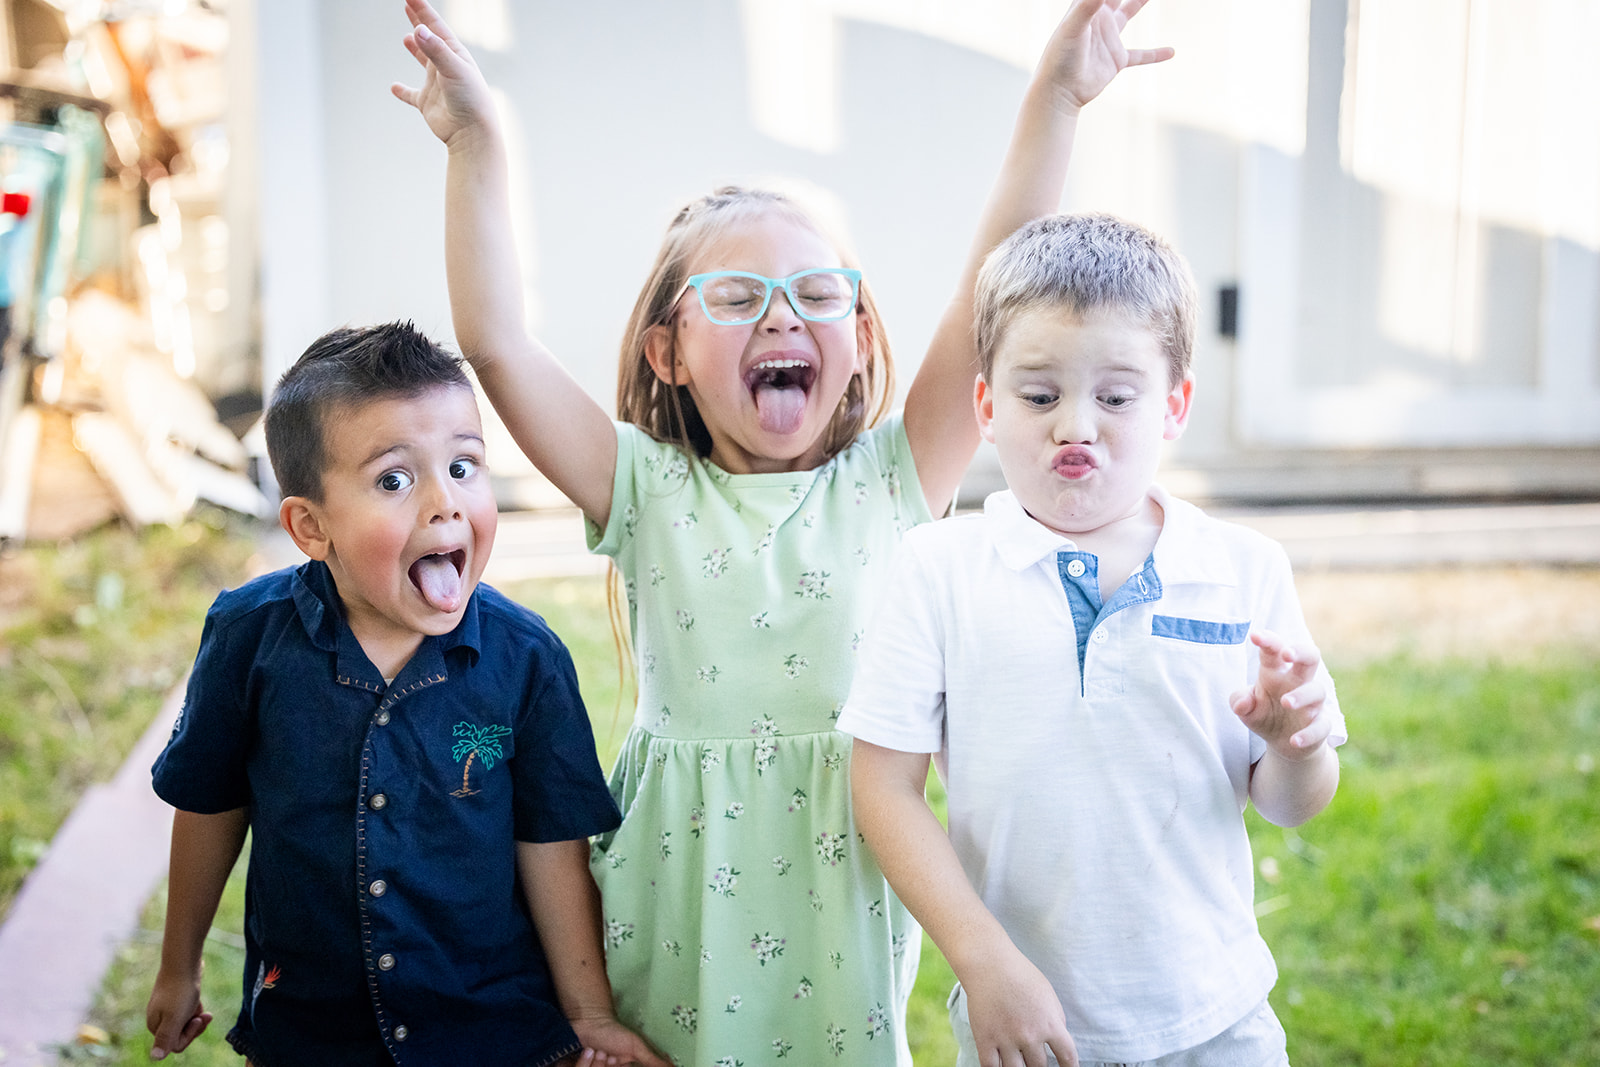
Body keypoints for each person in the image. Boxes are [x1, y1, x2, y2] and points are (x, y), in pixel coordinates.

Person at [393, 3, 1171, 1062]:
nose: (779, 315)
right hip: (673, 910)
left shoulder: (894, 479)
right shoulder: (641, 486)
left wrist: (1057, 98)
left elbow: (988, 286)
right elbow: (497, 343)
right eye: (736, 296)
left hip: (839, 902)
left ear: (858, 339)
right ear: (668, 351)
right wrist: (476, 143)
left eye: (813, 292)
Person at [838, 212, 1347, 1067]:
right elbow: (883, 787)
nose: (1076, 424)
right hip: (1025, 1025)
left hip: (1216, 1022)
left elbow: (1292, 803)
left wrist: (1298, 741)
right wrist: (984, 961)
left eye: (1116, 396)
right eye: (1040, 395)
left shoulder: (1243, 568)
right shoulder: (938, 568)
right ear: (987, 405)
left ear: (1174, 404)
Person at [144, 322, 664, 1067]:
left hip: (491, 1035)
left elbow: (551, 844)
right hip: (310, 1037)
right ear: (310, 526)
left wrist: (588, 1013)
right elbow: (209, 802)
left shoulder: (526, 658)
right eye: (394, 480)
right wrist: (179, 967)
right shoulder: (249, 638)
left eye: (464, 466)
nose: (444, 503)